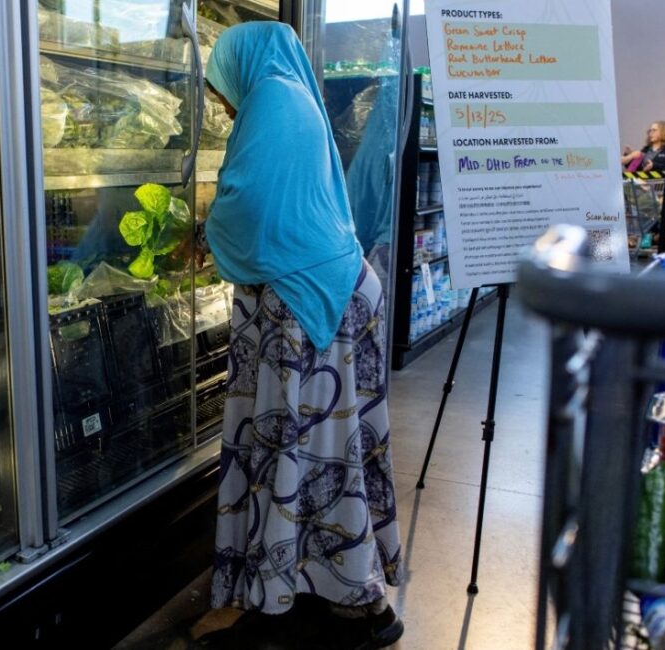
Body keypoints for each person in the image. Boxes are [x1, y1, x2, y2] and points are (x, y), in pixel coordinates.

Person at [199, 21, 403, 649]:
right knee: (320, 453)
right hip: (326, 295)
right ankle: (306, 585)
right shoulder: (289, 91)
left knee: (311, 456)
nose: (221, 103)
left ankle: (345, 605)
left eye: (219, 89)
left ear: (242, 68)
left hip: (308, 309)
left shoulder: (272, 100)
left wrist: (209, 229)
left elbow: (252, 213)